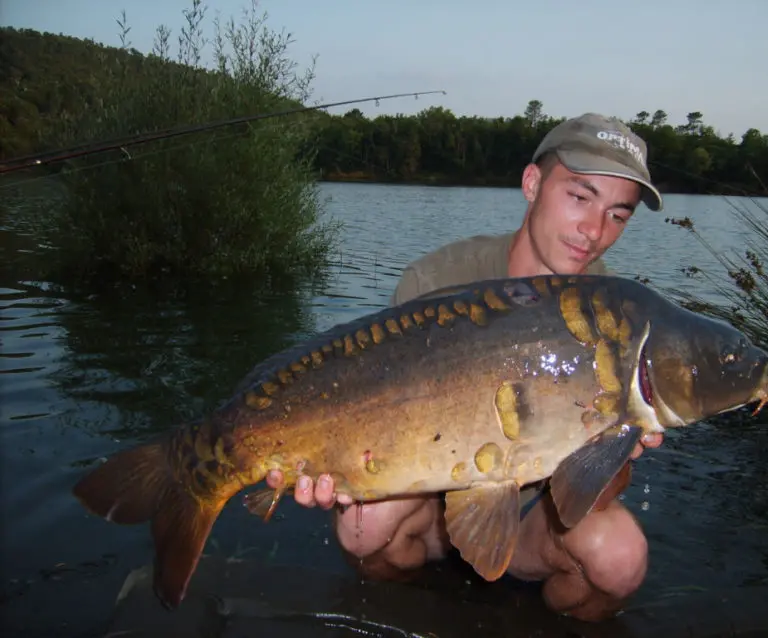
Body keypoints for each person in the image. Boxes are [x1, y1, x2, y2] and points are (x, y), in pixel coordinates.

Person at [266, 112, 666, 622]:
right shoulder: (438, 280)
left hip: (531, 521)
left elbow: (591, 496)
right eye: (580, 196)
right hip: (433, 510)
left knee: (620, 559)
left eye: (618, 214)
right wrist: (333, 461)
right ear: (532, 183)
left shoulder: (623, 323)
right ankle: (415, 610)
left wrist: (619, 447)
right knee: (363, 525)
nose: (594, 231)